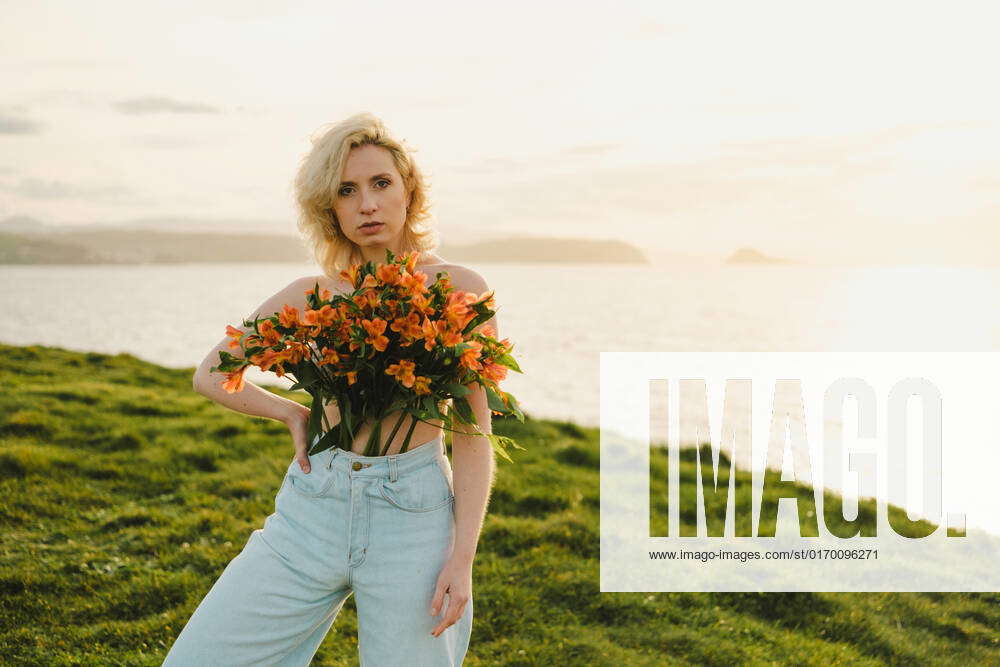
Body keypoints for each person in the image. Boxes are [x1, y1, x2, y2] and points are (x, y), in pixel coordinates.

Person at [162, 113, 496, 666]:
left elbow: (472, 430)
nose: (366, 203)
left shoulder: (459, 290)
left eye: (380, 183)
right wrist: (292, 413)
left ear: (408, 190)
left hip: (412, 518)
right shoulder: (310, 295)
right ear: (330, 210)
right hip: (311, 510)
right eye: (347, 191)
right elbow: (212, 372)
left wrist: (461, 559)